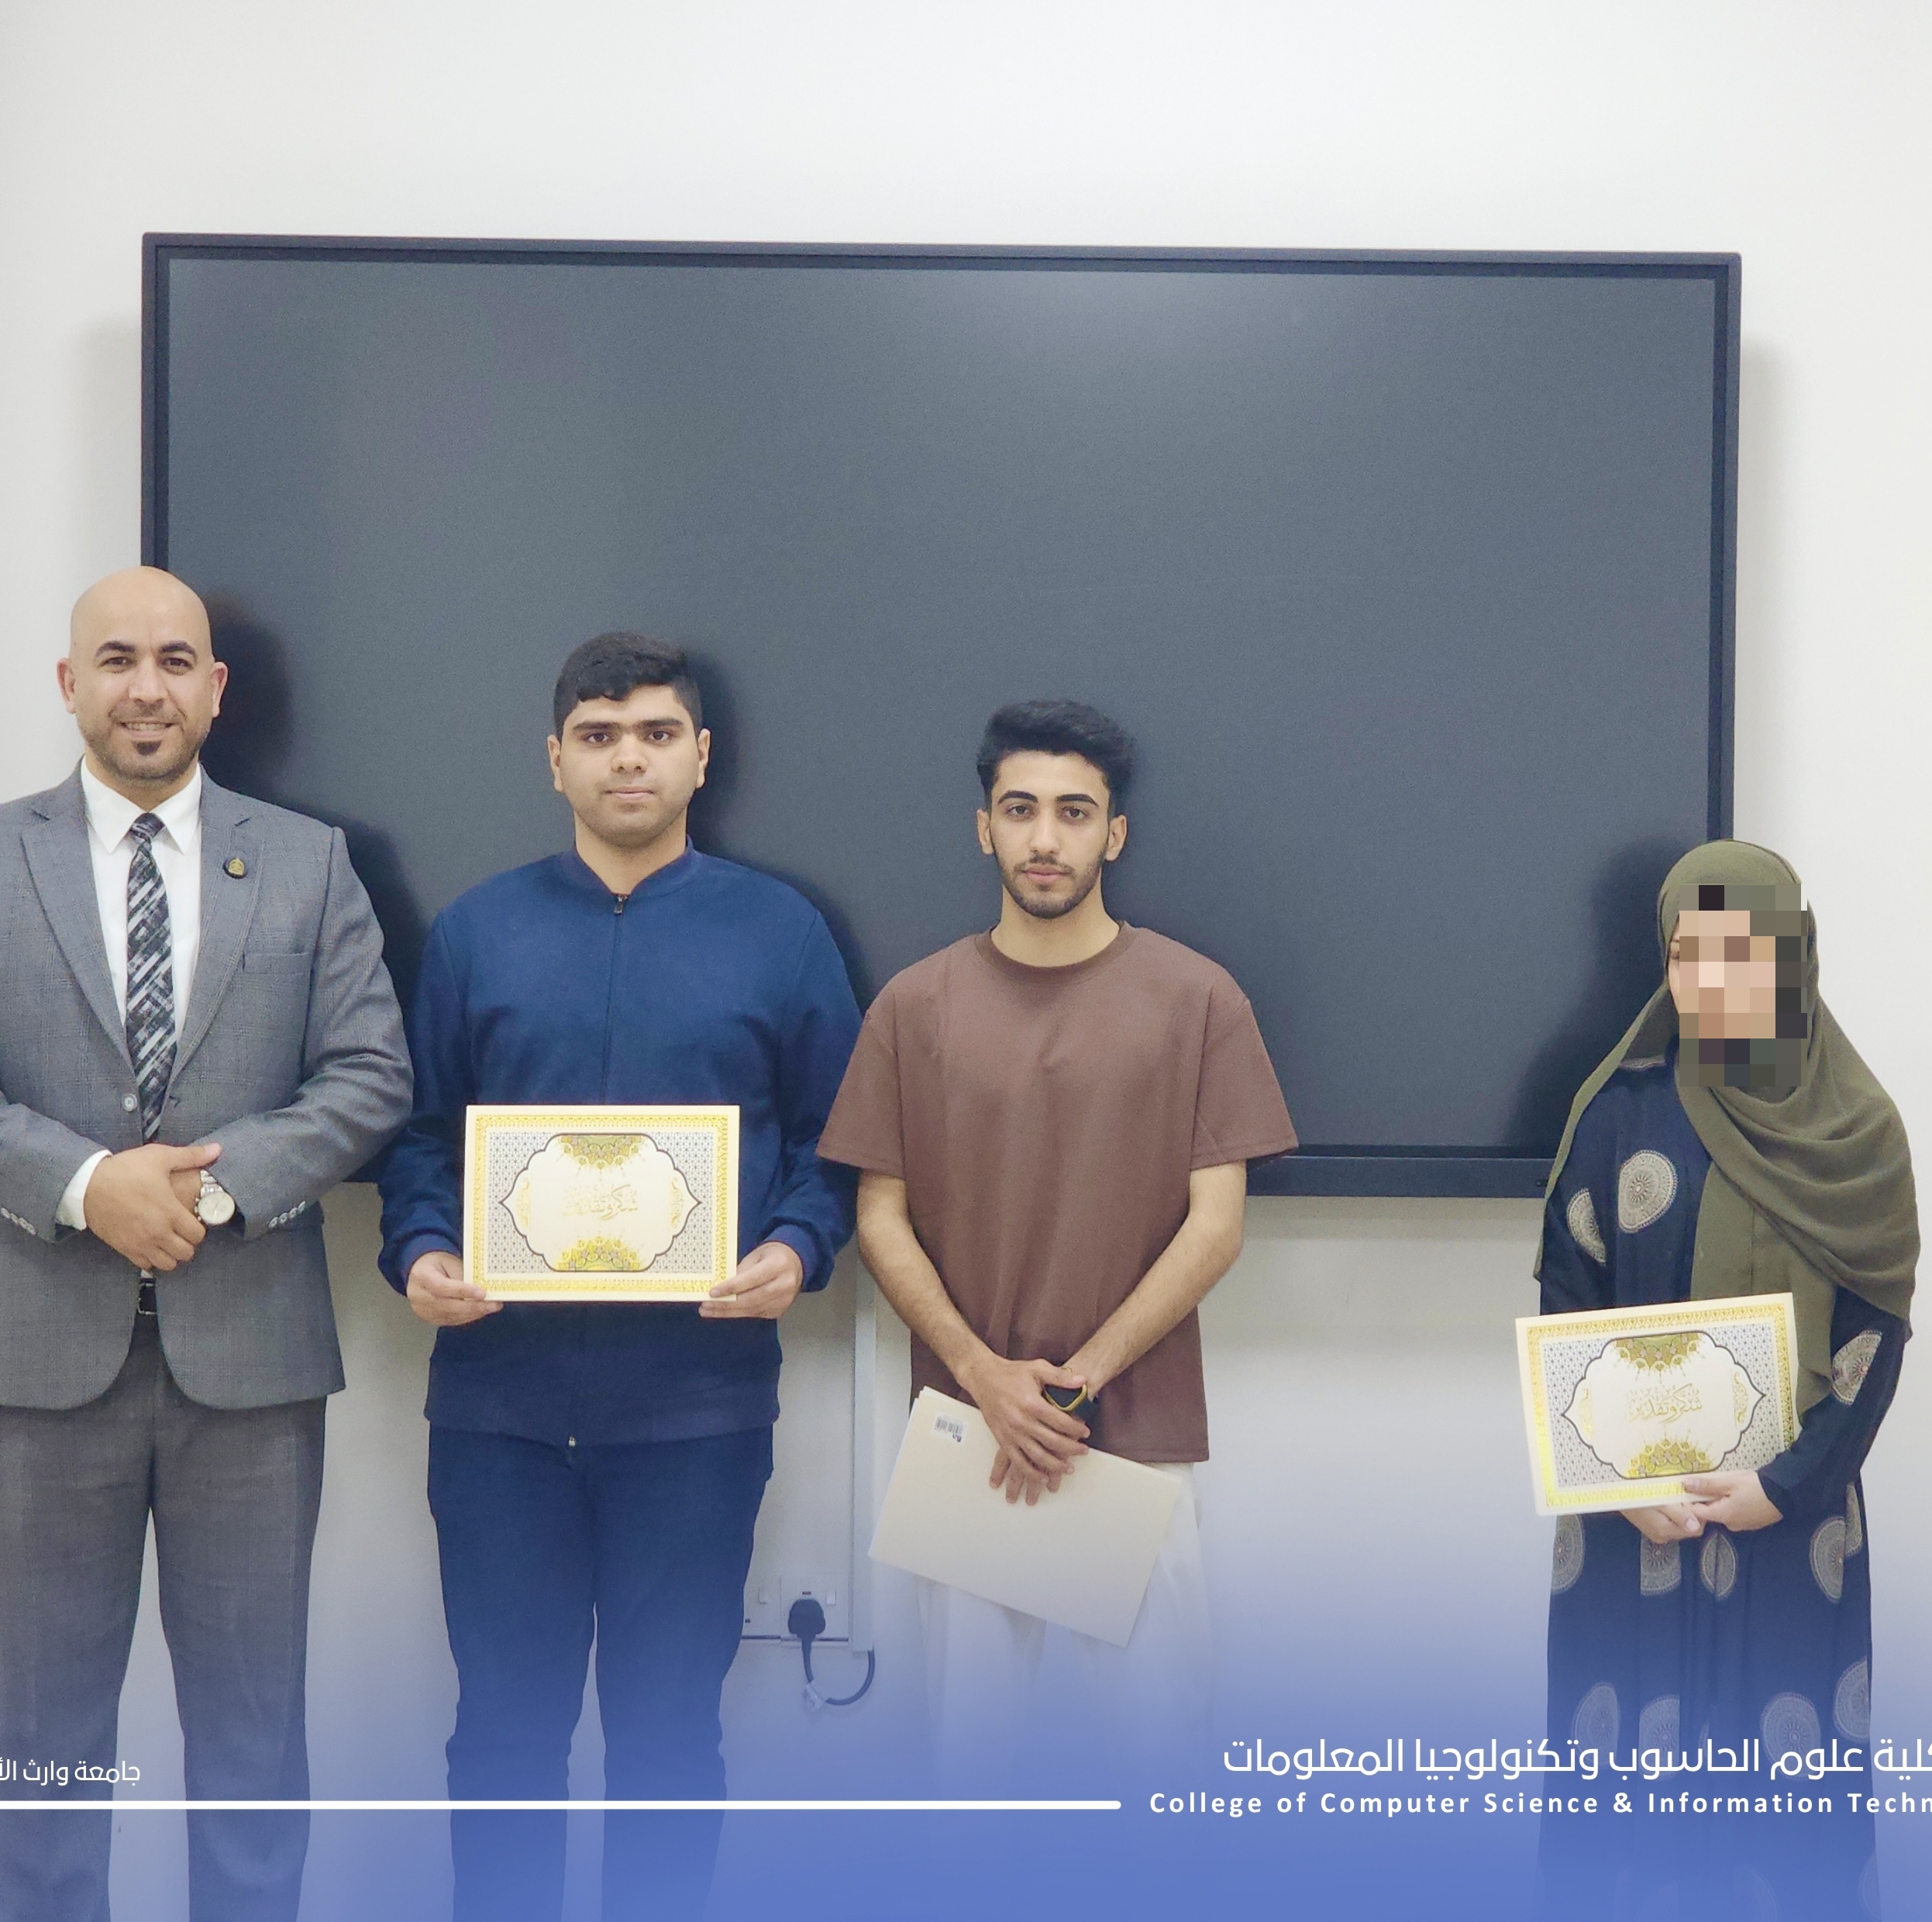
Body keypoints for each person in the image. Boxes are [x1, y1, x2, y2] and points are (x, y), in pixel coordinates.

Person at [0, 566, 412, 1922]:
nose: (146, 688)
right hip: (37, 1362)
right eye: (116, 660)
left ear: (216, 690)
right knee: (43, 1744)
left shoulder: (309, 861)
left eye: (176, 661)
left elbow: (369, 1077)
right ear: (71, 684)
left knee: (253, 1741)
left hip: (252, 1368)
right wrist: (85, 1186)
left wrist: (208, 1197)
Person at [374, 632, 859, 1922]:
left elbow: (842, 1140)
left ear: (702, 756)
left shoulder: (781, 931)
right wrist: (420, 1250)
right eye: (598, 736)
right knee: (502, 1742)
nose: (627, 759)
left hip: (695, 1413)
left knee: (669, 1744)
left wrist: (796, 1245)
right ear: (556, 761)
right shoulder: (476, 932)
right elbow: (417, 1136)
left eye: (654, 734)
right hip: (500, 1413)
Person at [820, 698, 1296, 1778]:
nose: (1045, 838)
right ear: (983, 826)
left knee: (1158, 1775)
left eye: (1074, 813)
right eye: (1020, 809)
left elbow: (1217, 1225)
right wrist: (987, 1378)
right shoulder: (913, 1007)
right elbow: (880, 1219)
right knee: (976, 1777)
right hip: (968, 1440)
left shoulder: (1197, 999)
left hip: (1133, 1440)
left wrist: (1079, 1381)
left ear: (1113, 834)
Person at [1534, 839, 1918, 1920]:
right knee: (1622, 1810)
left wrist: (1786, 1485)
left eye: (1743, 951)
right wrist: (1617, 1480)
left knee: (1783, 1818)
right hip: (1629, 1526)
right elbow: (1568, 1306)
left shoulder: (1857, 1131)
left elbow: (1878, 1336)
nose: (1712, 978)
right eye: (1688, 953)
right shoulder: (1617, 1112)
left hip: (1794, 1527)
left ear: (1794, 956)